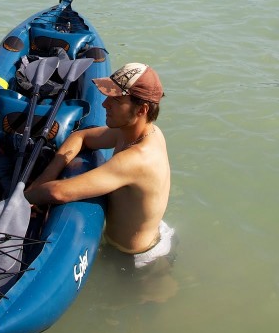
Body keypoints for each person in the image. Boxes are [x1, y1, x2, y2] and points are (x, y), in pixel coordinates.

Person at [25, 63, 173, 269]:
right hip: (147, 237)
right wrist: (46, 177)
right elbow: (81, 136)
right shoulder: (138, 132)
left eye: (116, 99)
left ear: (142, 109)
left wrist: (20, 199)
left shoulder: (136, 159)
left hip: (137, 259)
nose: (104, 104)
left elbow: (60, 193)